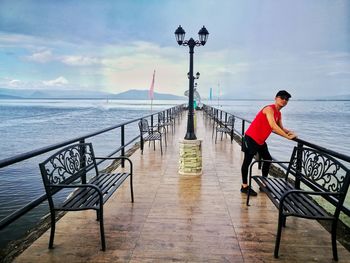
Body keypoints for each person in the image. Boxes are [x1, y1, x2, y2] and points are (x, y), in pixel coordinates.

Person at [240, 90, 297, 196]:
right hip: (251, 139)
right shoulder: (269, 109)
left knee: (267, 160)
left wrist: (290, 132)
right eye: (282, 97)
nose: (284, 100)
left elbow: (280, 128)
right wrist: (287, 138)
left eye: (287, 99)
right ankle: (244, 186)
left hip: (261, 141)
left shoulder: (278, 114)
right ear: (276, 98)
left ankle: (263, 183)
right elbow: (273, 125)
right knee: (247, 162)